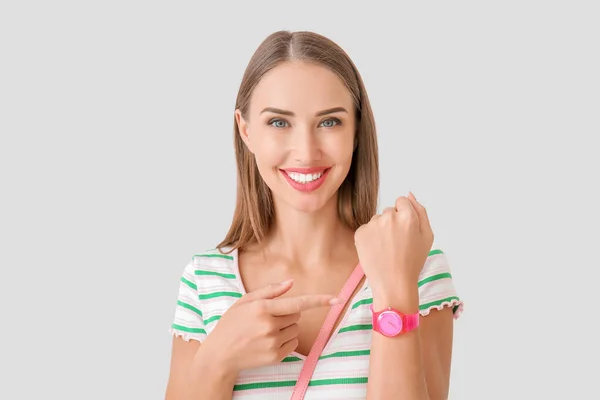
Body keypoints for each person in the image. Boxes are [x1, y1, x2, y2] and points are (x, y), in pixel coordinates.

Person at [165, 30, 463, 400]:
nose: (306, 152)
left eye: (329, 122)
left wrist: (394, 291)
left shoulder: (416, 266)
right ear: (245, 130)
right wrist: (217, 359)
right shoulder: (204, 280)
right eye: (278, 122)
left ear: (356, 130)